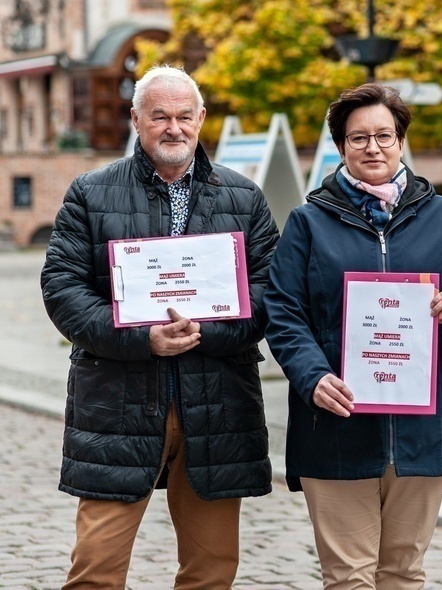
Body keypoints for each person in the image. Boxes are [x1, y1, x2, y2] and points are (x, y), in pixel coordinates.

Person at [40, 65, 279, 588]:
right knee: (95, 570)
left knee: (211, 570)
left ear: (202, 119)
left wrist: (206, 331)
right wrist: (141, 338)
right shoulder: (90, 192)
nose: (174, 128)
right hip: (116, 401)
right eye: (159, 116)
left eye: (184, 116)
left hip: (216, 403)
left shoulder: (245, 198)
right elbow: (62, 288)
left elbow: (269, 295)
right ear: (136, 120)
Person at [262, 83, 442, 589]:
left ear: (401, 141)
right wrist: (312, 376)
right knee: (348, 577)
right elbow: (282, 311)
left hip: (424, 427)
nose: (373, 147)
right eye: (358, 138)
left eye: (384, 136)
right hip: (337, 424)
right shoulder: (308, 224)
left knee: (403, 573)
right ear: (341, 146)